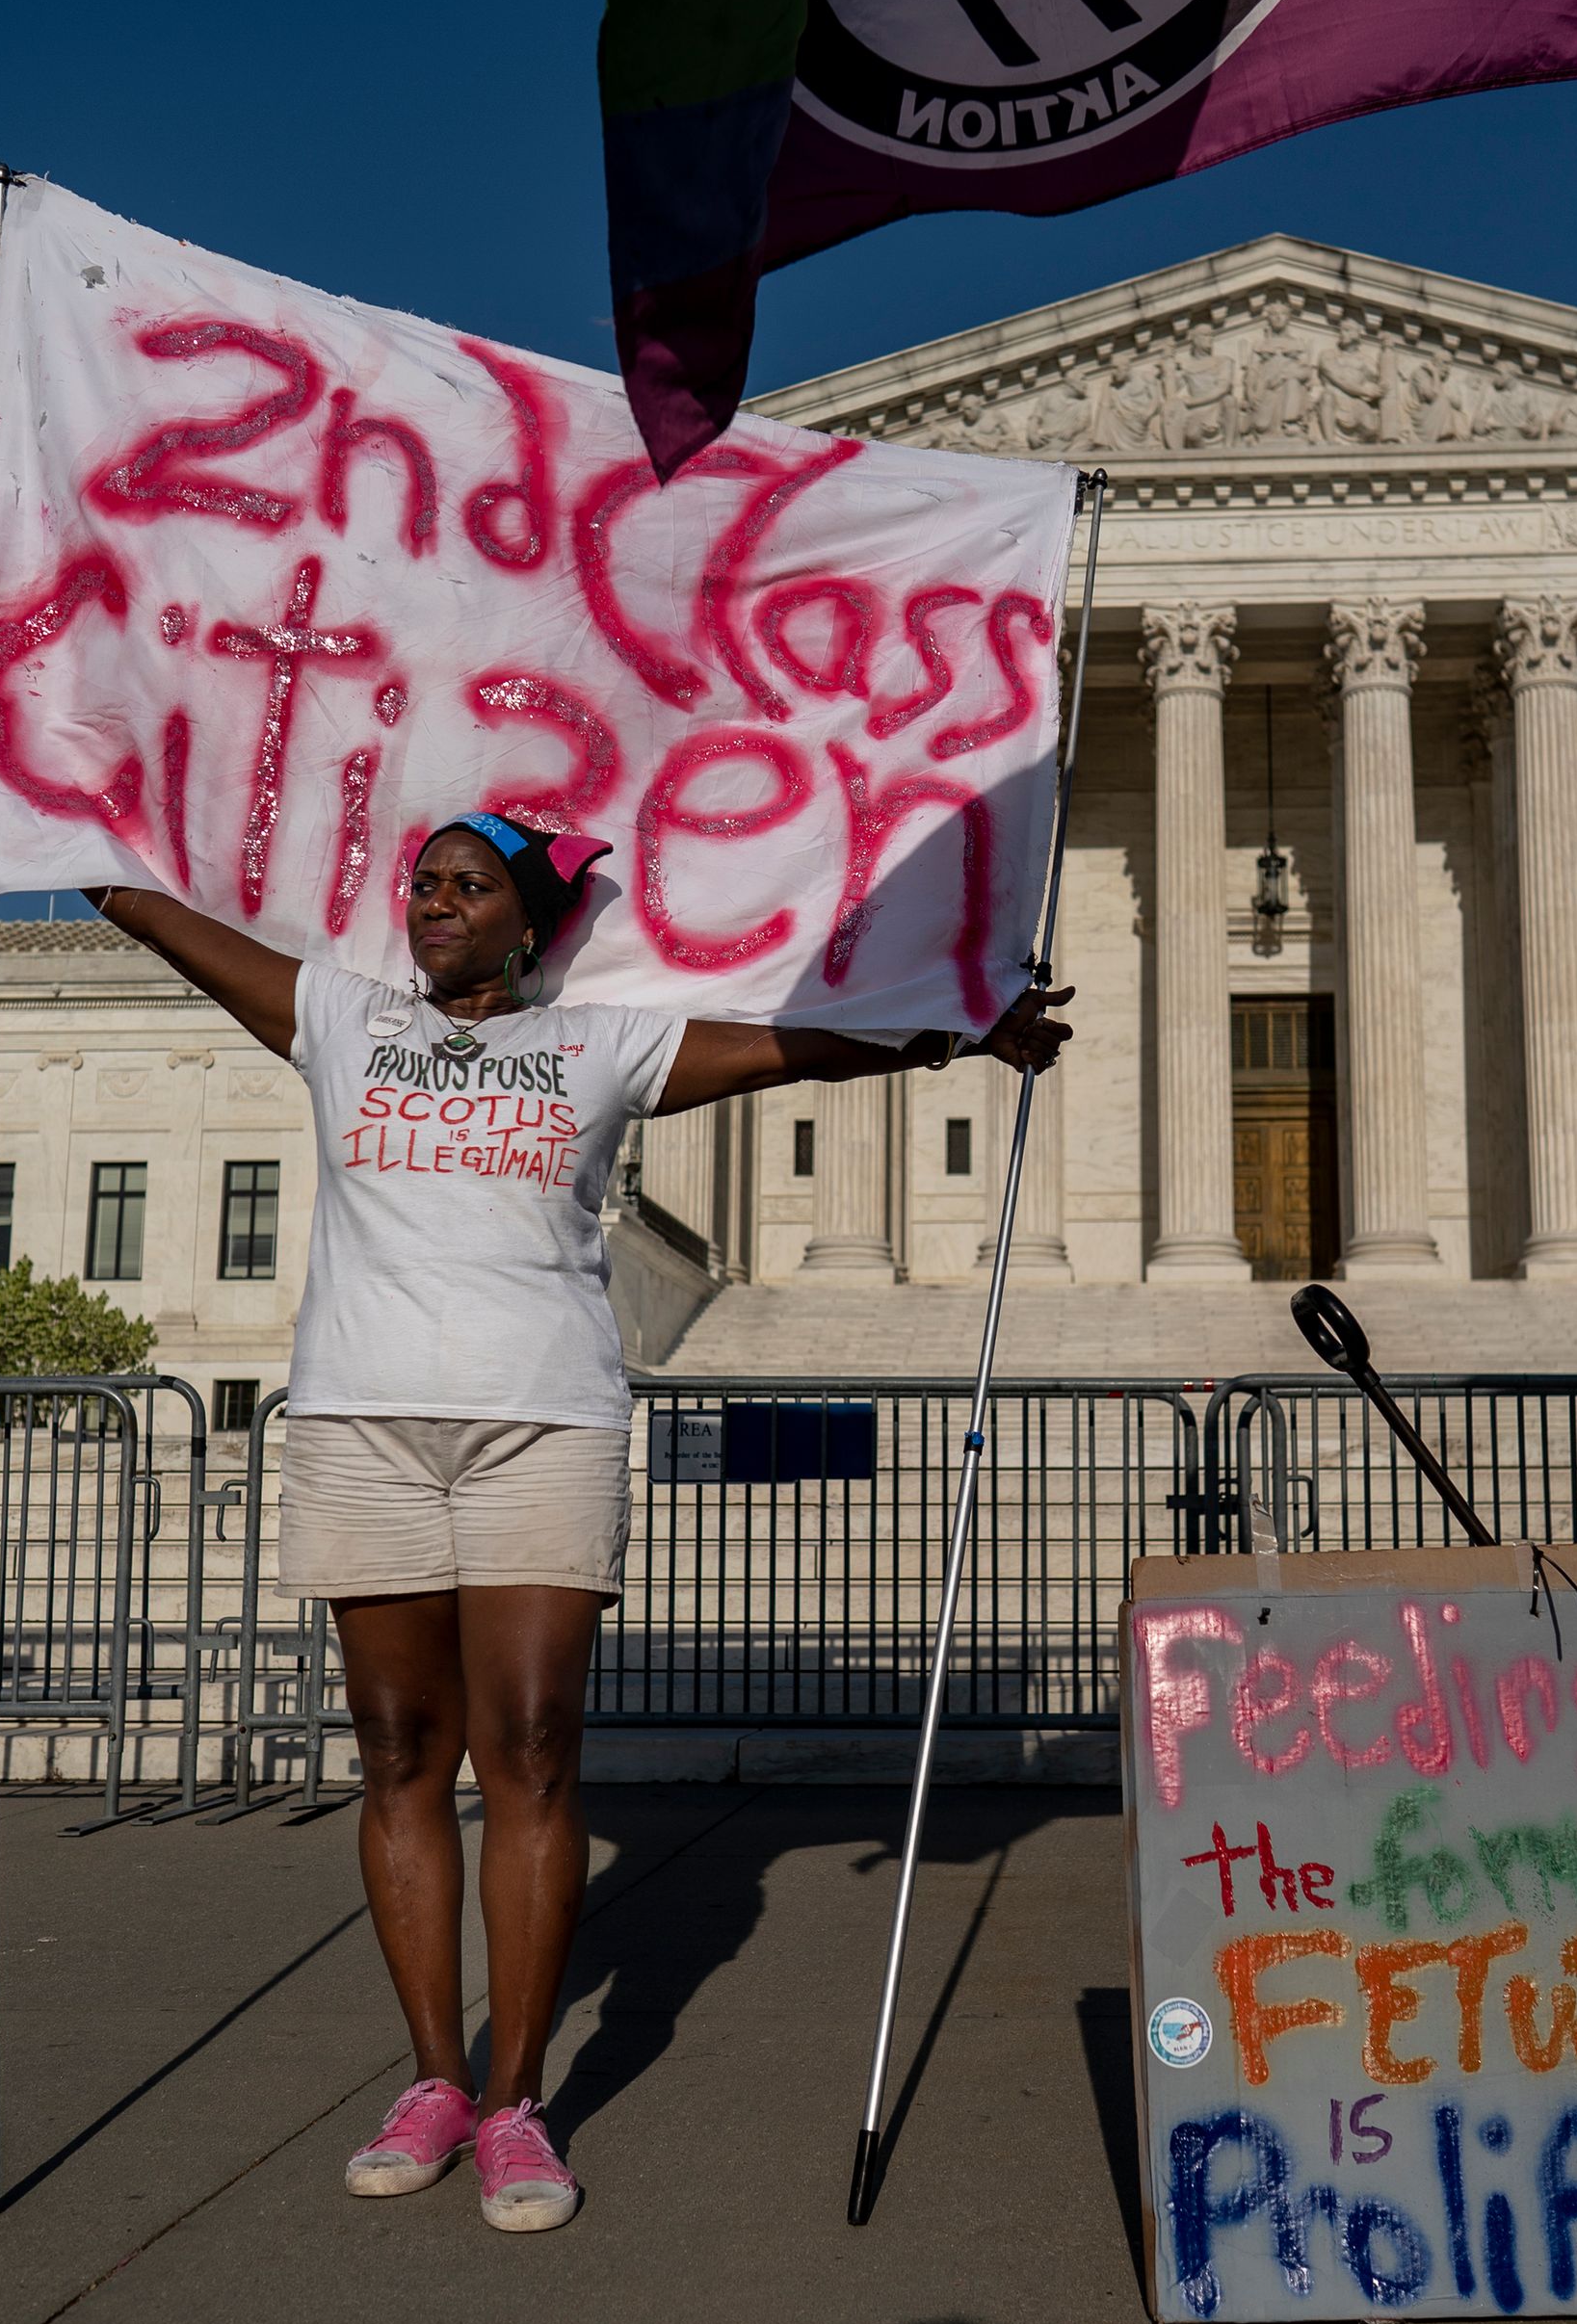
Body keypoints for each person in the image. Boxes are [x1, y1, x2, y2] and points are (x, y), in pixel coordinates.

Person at [88, 814, 1069, 2233]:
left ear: (525, 923)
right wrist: (54, 828)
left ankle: (518, 2101)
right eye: (421, 881)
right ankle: (435, 2076)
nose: (431, 901)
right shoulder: (338, 1017)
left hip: (543, 1418)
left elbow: (801, 1045)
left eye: (465, 885)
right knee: (397, 1751)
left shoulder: (598, 1048)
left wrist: (963, 1029)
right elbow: (164, 922)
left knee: (534, 1744)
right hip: (363, 1415)